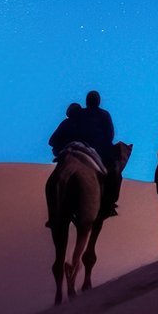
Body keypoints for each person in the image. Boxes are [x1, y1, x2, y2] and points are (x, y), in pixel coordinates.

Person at [47, 91, 122, 219]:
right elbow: (110, 135)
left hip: (79, 147)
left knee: (53, 181)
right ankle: (109, 204)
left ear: (87, 101)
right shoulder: (104, 114)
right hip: (99, 150)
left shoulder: (78, 115)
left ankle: (53, 214)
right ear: (98, 101)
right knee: (115, 172)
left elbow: (58, 138)